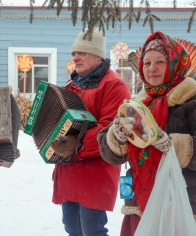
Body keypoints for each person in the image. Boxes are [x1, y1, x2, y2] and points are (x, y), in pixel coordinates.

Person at [98, 31, 196, 235]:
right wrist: (116, 137)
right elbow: (109, 154)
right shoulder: (137, 104)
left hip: (184, 208)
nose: (151, 68)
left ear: (174, 64)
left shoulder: (195, 101)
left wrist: (173, 146)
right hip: (141, 207)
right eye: (146, 63)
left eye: (160, 62)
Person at [49, 29, 131, 236]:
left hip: (96, 171)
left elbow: (111, 128)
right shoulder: (71, 85)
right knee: (72, 228)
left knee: (92, 229)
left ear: (98, 56)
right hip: (69, 169)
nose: (75, 57)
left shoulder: (114, 85)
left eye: (82, 53)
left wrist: (75, 143)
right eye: (74, 53)